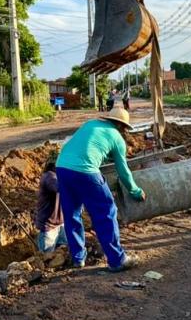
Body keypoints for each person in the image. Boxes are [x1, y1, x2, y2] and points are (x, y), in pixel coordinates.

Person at [55, 108, 145, 271]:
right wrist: (135, 191)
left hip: (62, 167)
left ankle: (78, 258)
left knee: (72, 214)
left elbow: (85, 146)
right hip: (86, 171)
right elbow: (123, 171)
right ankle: (117, 260)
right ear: (122, 126)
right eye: (125, 129)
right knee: (106, 212)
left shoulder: (91, 124)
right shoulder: (117, 138)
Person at [33, 159, 68, 253]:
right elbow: (58, 187)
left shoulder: (57, 176)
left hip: (61, 224)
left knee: (64, 254)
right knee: (47, 257)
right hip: (49, 227)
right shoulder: (49, 176)